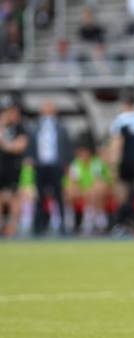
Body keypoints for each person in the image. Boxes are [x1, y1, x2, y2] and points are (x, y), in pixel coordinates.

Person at [28, 100, 73, 235]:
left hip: (56, 166)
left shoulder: (61, 127)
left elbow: (67, 147)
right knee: (39, 197)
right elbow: (31, 146)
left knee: (59, 196)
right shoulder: (35, 127)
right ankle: (39, 226)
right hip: (40, 166)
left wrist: (66, 164)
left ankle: (62, 225)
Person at [108, 93, 134, 234]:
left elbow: (117, 142)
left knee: (123, 193)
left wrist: (113, 165)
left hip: (125, 161)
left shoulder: (121, 120)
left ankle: (124, 223)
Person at [66, 137, 112, 234]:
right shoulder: (75, 164)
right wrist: (81, 190)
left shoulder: (96, 162)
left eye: (85, 152)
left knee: (95, 191)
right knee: (69, 192)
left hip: (96, 191)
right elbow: (73, 182)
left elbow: (98, 181)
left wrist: (87, 191)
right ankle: (70, 220)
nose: (83, 155)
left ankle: (94, 219)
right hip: (84, 190)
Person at [0, 95, 29, 236]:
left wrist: (6, 145)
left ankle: (11, 230)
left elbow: (20, 146)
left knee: (14, 199)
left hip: (14, 169)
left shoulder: (20, 128)